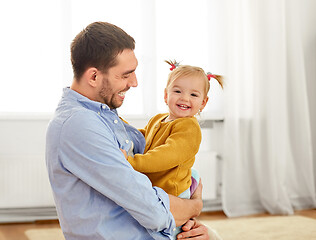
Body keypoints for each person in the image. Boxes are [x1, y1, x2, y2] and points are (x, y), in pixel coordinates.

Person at [45, 21, 211, 240]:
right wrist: (194, 206)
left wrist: (188, 222)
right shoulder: (79, 125)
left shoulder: (102, 114)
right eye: (125, 75)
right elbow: (155, 212)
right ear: (94, 76)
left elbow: (151, 146)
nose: (134, 83)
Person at [121, 60, 223, 240]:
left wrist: (131, 162)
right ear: (166, 95)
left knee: (172, 231)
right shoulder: (159, 119)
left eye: (193, 94)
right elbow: (144, 138)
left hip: (173, 192)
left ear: (203, 102)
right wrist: (121, 127)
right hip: (157, 187)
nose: (185, 98)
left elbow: (166, 155)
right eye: (177, 91)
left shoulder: (189, 128)